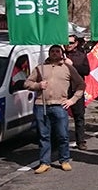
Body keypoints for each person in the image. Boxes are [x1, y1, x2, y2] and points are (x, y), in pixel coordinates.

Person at [26, 45, 85, 174]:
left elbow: (81, 84)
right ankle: (44, 162)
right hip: (42, 105)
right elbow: (27, 83)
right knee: (43, 135)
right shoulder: (40, 67)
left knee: (63, 135)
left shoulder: (68, 68)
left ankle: (64, 160)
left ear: (61, 53)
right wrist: (37, 85)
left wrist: (72, 100)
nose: (54, 53)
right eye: (52, 51)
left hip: (60, 105)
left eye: (57, 51)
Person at [64, 36, 90, 149]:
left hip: (76, 90)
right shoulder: (59, 54)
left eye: (71, 42)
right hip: (62, 90)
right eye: (66, 42)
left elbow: (86, 71)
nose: (68, 44)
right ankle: (60, 139)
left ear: (76, 43)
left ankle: (80, 141)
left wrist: (72, 64)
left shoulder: (81, 55)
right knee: (60, 116)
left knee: (79, 116)